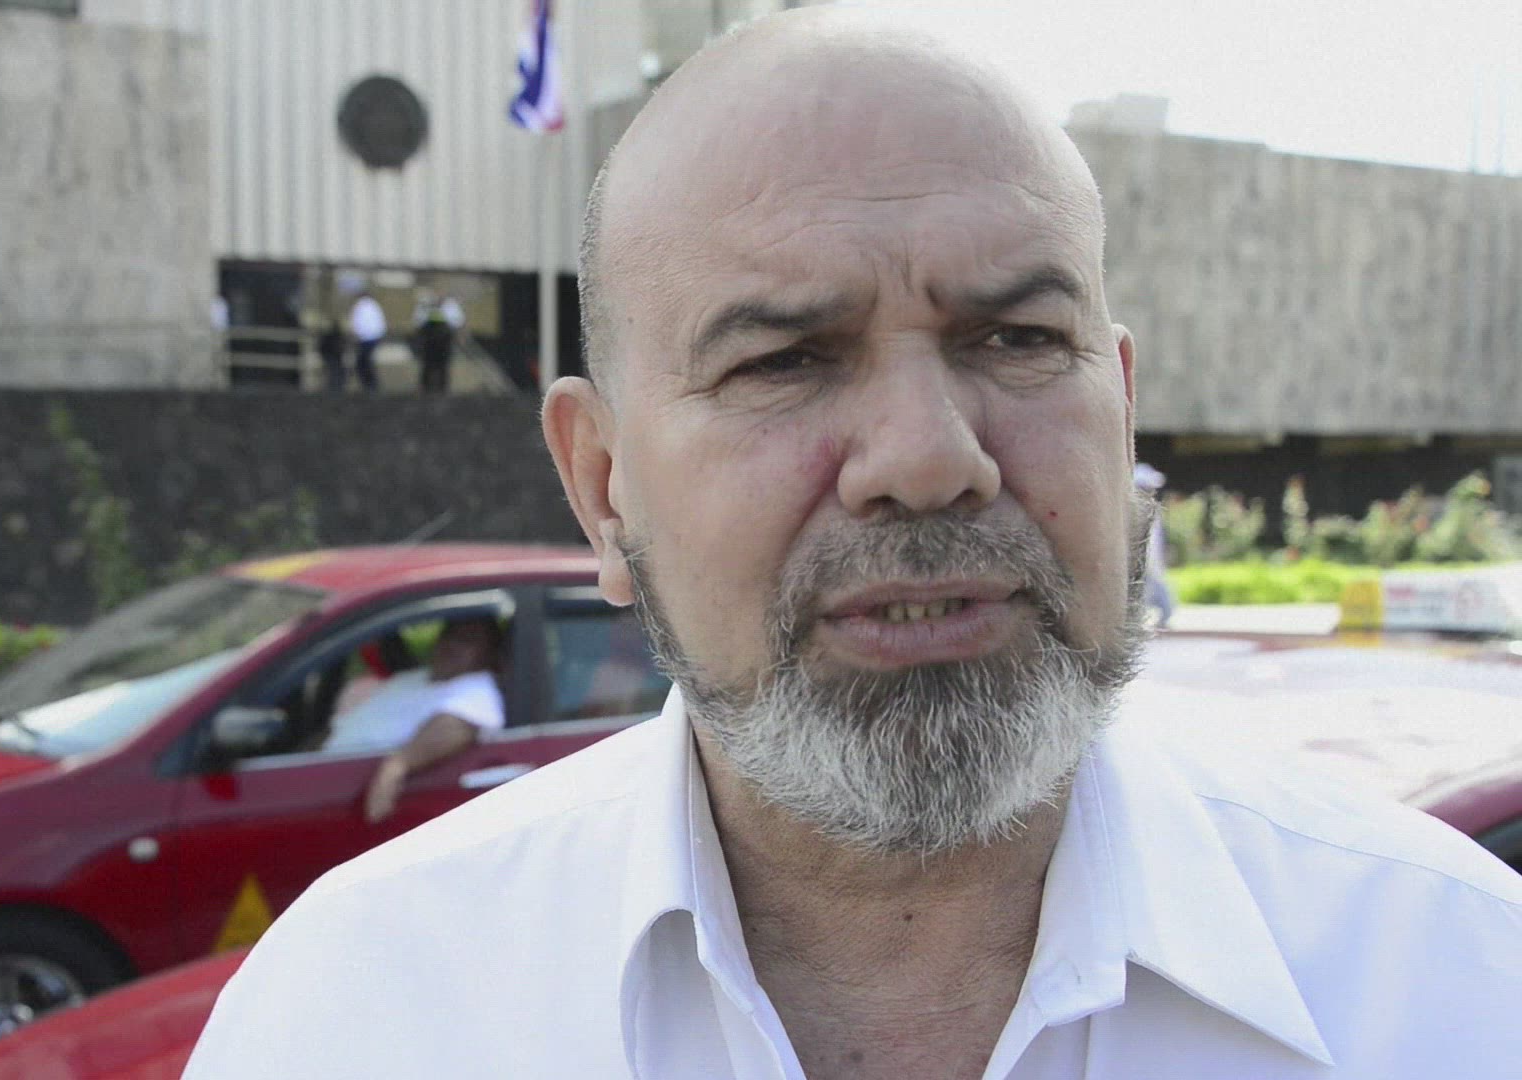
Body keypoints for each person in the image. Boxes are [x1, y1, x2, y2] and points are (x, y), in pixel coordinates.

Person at [187, 11, 1520, 1080]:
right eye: (785, 359)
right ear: (602, 488)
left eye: (1018, 338)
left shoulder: (1459, 983)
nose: (929, 458)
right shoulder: (357, 1013)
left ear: (1120, 415)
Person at [321, 616, 506, 821]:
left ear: (489, 655)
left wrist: (396, 766)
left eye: (467, 640)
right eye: (448, 635)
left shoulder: (476, 688)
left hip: (352, 793)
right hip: (324, 771)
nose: (452, 645)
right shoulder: (411, 678)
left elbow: (458, 726)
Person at [1134, 463, 1176, 627]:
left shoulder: (1151, 509)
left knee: (1155, 592)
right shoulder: (1136, 510)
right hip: (1142, 562)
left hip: (1152, 562)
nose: (1152, 491)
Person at [412, 301, 456, 393]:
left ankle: (428, 388)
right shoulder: (446, 328)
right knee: (441, 370)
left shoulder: (426, 327)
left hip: (431, 353)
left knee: (430, 369)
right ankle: (441, 389)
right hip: (440, 353)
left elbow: (419, 337)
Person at [348, 289, 385, 392]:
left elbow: (357, 323)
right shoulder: (374, 305)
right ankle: (371, 384)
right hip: (373, 337)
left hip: (365, 338)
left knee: (362, 362)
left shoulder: (360, 306)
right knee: (366, 360)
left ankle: (369, 384)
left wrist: (356, 335)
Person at [316, 317, 347, 392]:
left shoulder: (332, 336)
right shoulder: (333, 336)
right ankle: (334, 388)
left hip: (334, 356)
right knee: (334, 371)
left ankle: (335, 387)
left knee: (336, 371)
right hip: (331, 356)